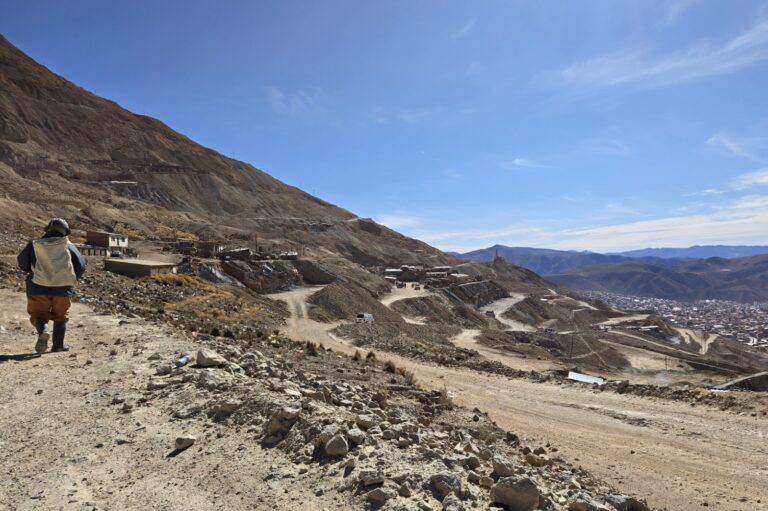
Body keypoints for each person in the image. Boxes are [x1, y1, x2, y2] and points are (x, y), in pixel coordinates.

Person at [17, 218, 86, 353]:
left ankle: (43, 329)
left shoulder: (35, 244)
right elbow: (81, 266)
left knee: (38, 314)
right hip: (63, 289)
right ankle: (58, 346)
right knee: (61, 316)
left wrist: (31, 271)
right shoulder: (69, 245)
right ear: (66, 231)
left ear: (47, 229)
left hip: (37, 287)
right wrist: (71, 279)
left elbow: (22, 263)